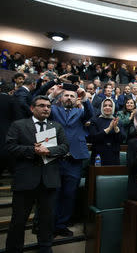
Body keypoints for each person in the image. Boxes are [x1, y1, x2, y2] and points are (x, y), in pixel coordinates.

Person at [5, 95, 69, 253]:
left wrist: (49, 150)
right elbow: (10, 147)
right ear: (32, 108)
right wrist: (32, 150)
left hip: (49, 180)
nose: (46, 108)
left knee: (47, 220)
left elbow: (65, 147)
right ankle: (14, 249)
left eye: (48, 106)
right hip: (25, 179)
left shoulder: (56, 127)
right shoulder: (19, 125)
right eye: (42, 105)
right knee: (19, 220)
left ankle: (46, 247)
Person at [49, 86, 94, 237]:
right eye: (66, 95)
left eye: (72, 96)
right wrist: (52, 95)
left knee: (69, 193)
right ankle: (50, 225)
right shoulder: (54, 110)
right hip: (55, 158)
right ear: (61, 98)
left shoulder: (80, 112)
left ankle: (62, 225)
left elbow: (90, 114)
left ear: (76, 100)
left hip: (74, 159)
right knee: (54, 193)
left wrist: (85, 96)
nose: (68, 98)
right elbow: (42, 109)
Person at [87, 98, 124, 165]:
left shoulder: (118, 122)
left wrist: (116, 129)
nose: (107, 107)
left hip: (113, 155)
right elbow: (92, 138)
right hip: (98, 155)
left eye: (110, 106)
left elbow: (121, 139)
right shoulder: (95, 121)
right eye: (105, 105)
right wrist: (108, 129)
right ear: (101, 107)